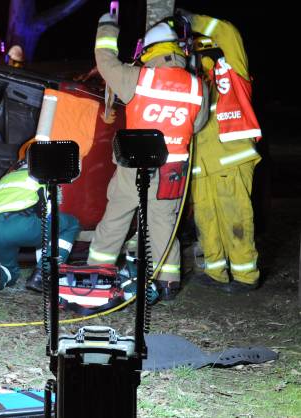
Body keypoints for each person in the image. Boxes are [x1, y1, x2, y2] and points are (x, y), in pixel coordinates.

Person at [87, 14, 209, 301]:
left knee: (117, 217)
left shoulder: (138, 78)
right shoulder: (197, 86)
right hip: (174, 171)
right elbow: (198, 124)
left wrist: (106, 27)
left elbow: (105, 61)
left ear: (149, 51)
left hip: (136, 166)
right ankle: (167, 282)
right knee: (163, 223)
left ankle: (98, 272)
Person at [179, 11, 262, 293]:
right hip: (202, 162)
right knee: (206, 218)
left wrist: (193, 19)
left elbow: (228, 32)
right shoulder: (194, 78)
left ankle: (245, 276)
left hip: (232, 155)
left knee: (234, 216)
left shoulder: (233, 69)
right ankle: (216, 272)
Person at [0, 160, 81, 297]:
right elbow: (48, 215)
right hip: (19, 226)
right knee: (70, 224)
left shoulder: (7, 178)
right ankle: (43, 275)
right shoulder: (44, 175)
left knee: (9, 271)